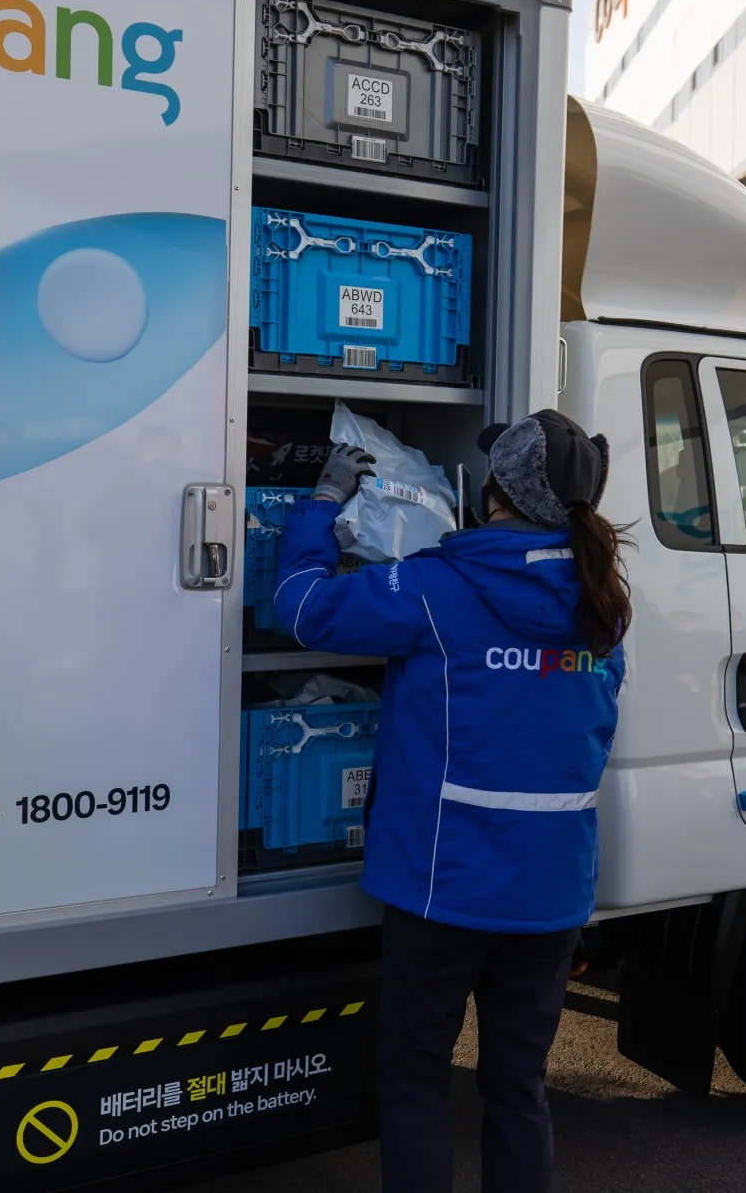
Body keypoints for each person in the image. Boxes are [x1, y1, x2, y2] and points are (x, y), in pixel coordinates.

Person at [271, 409, 632, 1193]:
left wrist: (323, 502)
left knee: (415, 1085)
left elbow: (299, 607)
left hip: (444, 897)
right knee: (517, 1089)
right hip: (549, 904)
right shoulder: (603, 608)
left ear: (495, 491)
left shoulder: (438, 587)